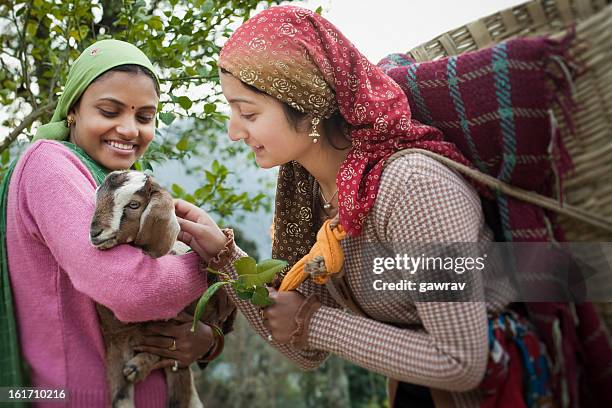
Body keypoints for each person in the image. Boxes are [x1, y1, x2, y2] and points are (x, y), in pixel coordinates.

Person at [175, 5, 554, 408]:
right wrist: (225, 257)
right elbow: (303, 350)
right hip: (417, 392)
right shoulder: (308, 195)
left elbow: (461, 361)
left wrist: (312, 320)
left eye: (248, 112)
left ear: (308, 103)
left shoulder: (414, 190)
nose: (234, 131)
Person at [0, 39, 223, 407]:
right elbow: (132, 291)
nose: (129, 129)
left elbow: (171, 308)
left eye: (144, 117)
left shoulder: (118, 180)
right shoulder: (50, 165)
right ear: (73, 110)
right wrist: (212, 264)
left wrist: (207, 339)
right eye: (109, 110)